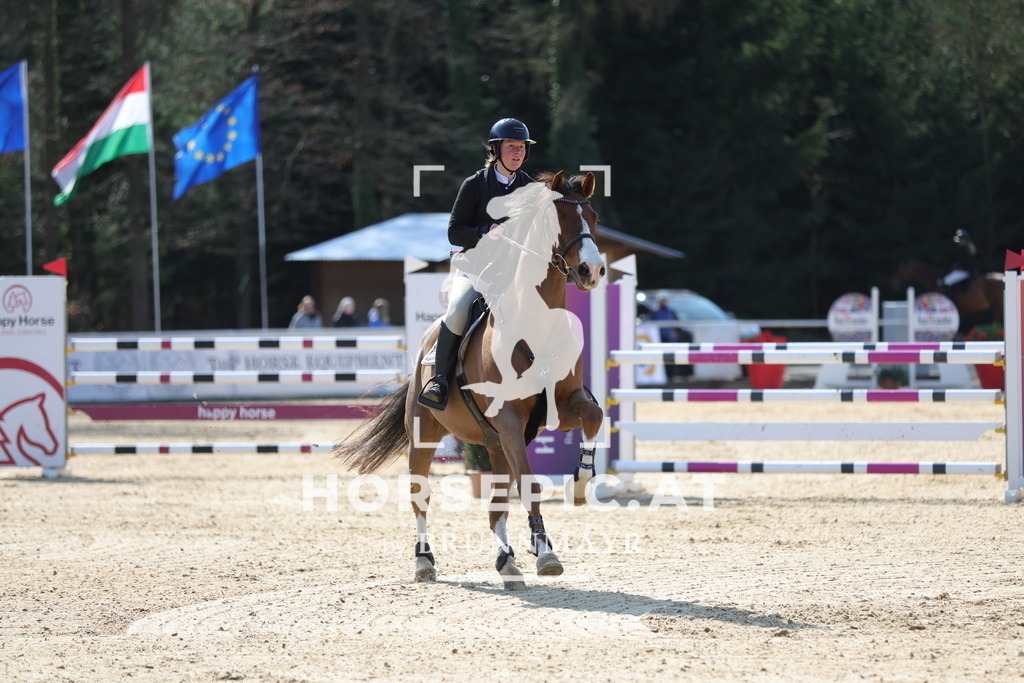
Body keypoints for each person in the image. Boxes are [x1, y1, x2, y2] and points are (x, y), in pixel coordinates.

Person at [418, 117, 536, 410]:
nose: (518, 152)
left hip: (515, 273)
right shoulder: (474, 185)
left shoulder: (532, 190)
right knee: (459, 308)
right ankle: (440, 381)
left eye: (521, 147)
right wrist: (485, 233)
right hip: (476, 268)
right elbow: (454, 231)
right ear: (497, 149)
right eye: (511, 146)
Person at [942, 229, 977, 294]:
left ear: (964, 239)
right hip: (967, 271)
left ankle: (951, 300)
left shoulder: (964, 249)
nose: (959, 241)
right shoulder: (967, 248)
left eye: (960, 239)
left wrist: (955, 268)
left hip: (966, 272)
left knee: (946, 281)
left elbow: (962, 263)